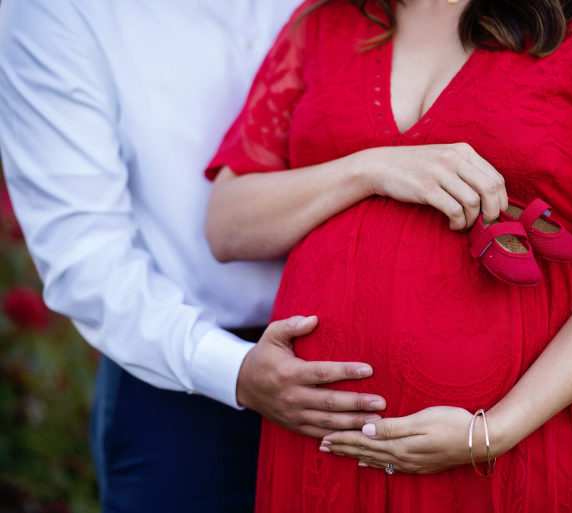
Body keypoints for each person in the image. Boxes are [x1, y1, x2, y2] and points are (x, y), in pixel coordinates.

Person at [206, 0, 572, 510]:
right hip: (329, 446)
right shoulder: (322, 22)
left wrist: (493, 430)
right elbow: (228, 224)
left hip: (524, 440)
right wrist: (368, 168)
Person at [0, 1, 388, 511]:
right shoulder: (56, 12)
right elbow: (88, 259)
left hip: (362, 368)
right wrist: (233, 369)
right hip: (182, 391)